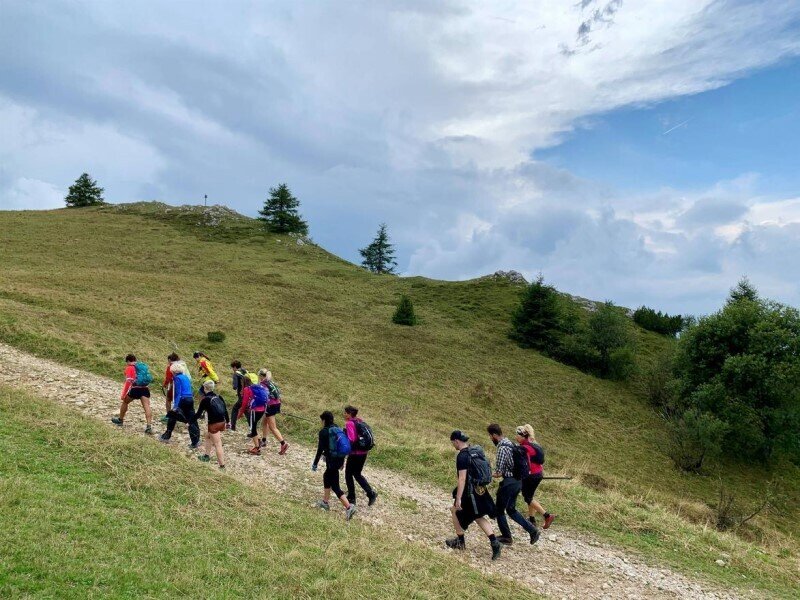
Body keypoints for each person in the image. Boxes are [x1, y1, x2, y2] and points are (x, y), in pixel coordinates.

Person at [445, 430, 502, 561]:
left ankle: (460, 541)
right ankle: (495, 542)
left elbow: (462, 479)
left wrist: (458, 498)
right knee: (478, 516)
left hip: (469, 491)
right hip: (480, 488)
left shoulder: (462, 456)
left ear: (456, 441)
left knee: (454, 510)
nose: (453, 444)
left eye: (453, 442)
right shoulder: (475, 451)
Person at [487, 424, 540, 545]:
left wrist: (486, 473)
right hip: (518, 481)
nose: (490, 438)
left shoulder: (502, 448)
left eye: (490, 436)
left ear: (494, 435)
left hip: (509, 482)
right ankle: (533, 531)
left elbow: (499, 472)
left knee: (499, 509)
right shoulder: (510, 443)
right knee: (511, 509)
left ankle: (507, 537)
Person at [311, 411, 356, 520]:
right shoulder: (337, 428)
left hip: (332, 461)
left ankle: (349, 507)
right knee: (326, 477)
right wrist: (342, 462)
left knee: (335, 486)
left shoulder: (323, 432)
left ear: (324, 420)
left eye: (322, 420)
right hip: (338, 460)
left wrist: (315, 463)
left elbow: (320, 449)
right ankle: (325, 502)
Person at [516, 424, 556, 529]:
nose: (516, 437)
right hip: (538, 473)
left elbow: (525, 464)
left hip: (531, 475)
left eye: (517, 435)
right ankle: (532, 519)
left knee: (527, 497)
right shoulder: (534, 445)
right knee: (530, 496)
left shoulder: (524, 448)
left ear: (522, 436)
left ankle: (547, 515)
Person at [159, 361, 201, 448]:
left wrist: (175, 406)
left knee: (172, 415)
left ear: (174, 371)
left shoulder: (177, 378)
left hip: (182, 399)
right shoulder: (186, 377)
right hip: (190, 399)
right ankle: (195, 441)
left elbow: (178, 393)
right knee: (192, 420)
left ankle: (166, 436)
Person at [112, 354, 154, 434]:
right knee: (147, 406)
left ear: (128, 361)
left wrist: (124, 394)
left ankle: (120, 420)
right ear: (135, 359)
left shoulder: (129, 368)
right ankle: (149, 426)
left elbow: (128, 382)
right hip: (145, 389)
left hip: (135, 389)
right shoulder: (141, 366)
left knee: (125, 402)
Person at [344, 405, 377, 506]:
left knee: (348, 474)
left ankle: (351, 497)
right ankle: (371, 493)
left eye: (345, 413)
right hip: (364, 453)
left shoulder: (349, 423)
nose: (344, 414)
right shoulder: (359, 420)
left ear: (350, 414)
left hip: (355, 454)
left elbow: (352, 440)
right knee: (357, 474)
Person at [195, 380, 229, 469]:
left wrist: (190, 421)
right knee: (207, 436)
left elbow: (198, 414)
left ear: (205, 388)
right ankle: (206, 455)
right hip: (222, 422)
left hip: (213, 424)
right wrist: (228, 422)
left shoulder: (205, 399)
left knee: (218, 444)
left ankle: (222, 466)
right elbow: (225, 411)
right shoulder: (219, 397)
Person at [258, 369, 289, 455]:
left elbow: (263, 397)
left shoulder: (262, 384)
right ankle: (264, 440)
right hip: (277, 403)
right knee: (264, 421)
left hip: (270, 406)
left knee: (273, 427)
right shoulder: (271, 382)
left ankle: (283, 443)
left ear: (261, 376)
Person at [238, 373, 267, 455]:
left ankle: (257, 448)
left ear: (244, 381)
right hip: (262, 410)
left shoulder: (247, 389)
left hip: (254, 410)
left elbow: (244, 403)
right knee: (254, 426)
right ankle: (259, 441)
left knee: (252, 428)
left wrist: (240, 413)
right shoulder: (259, 387)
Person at [229, 360, 249, 431]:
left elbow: (235, 387)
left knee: (235, 409)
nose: (232, 369)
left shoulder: (236, 374)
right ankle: (252, 428)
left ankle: (233, 426)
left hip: (242, 395)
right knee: (246, 410)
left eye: (232, 368)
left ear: (234, 367)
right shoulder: (245, 371)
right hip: (249, 394)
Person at [161, 353, 180, 424]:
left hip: (172, 385)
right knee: (177, 400)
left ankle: (169, 416)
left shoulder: (170, 367)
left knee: (168, 400)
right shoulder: (180, 365)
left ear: (169, 359)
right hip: (180, 385)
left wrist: (164, 385)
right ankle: (177, 415)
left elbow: (168, 378)